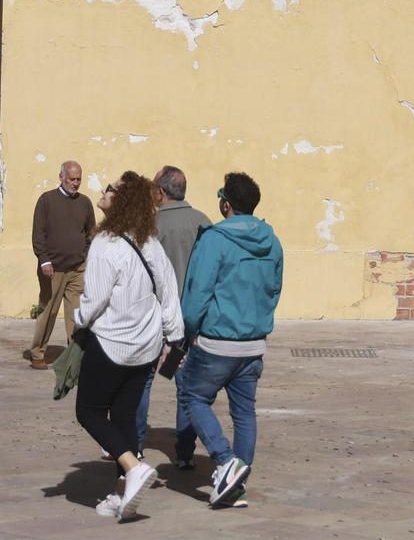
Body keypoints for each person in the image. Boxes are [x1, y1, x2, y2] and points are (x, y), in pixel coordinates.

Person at [72, 172, 183, 521]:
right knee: (122, 418)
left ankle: (134, 468)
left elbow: (95, 300)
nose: (103, 192)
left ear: (119, 201)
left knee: (88, 412)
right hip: (146, 349)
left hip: (112, 345)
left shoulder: (106, 242)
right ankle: (121, 495)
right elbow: (169, 292)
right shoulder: (149, 241)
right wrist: (173, 337)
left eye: (109, 189)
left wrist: (78, 317)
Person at [177, 170, 283, 509]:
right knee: (244, 414)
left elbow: (197, 291)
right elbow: (275, 289)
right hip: (253, 343)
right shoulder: (272, 241)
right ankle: (237, 486)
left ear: (226, 204)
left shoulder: (214, 239)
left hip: (216, 341)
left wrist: (189, 330)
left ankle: (225, 461)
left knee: (192, 396)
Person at [136, 165, 211, 460]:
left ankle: (136, 445)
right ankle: (184, 452)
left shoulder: (150, 225)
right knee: (187, 386)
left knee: (143, 382)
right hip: (191, 319)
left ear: (161, 192)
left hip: (155, 317)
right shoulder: (204, 222)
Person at [27, 160, 95, 369]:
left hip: (77, 268)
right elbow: (39, 233)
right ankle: (38, 353)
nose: (75, 183)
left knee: (77, 313)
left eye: (79, 179)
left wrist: (86, 256)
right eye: (72, 178)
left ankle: (75, 355)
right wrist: (44, 259)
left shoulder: (85, 202)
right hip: (52, 269)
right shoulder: (46, 200)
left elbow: (90, 232)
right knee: (48, 310)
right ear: (61, 177)